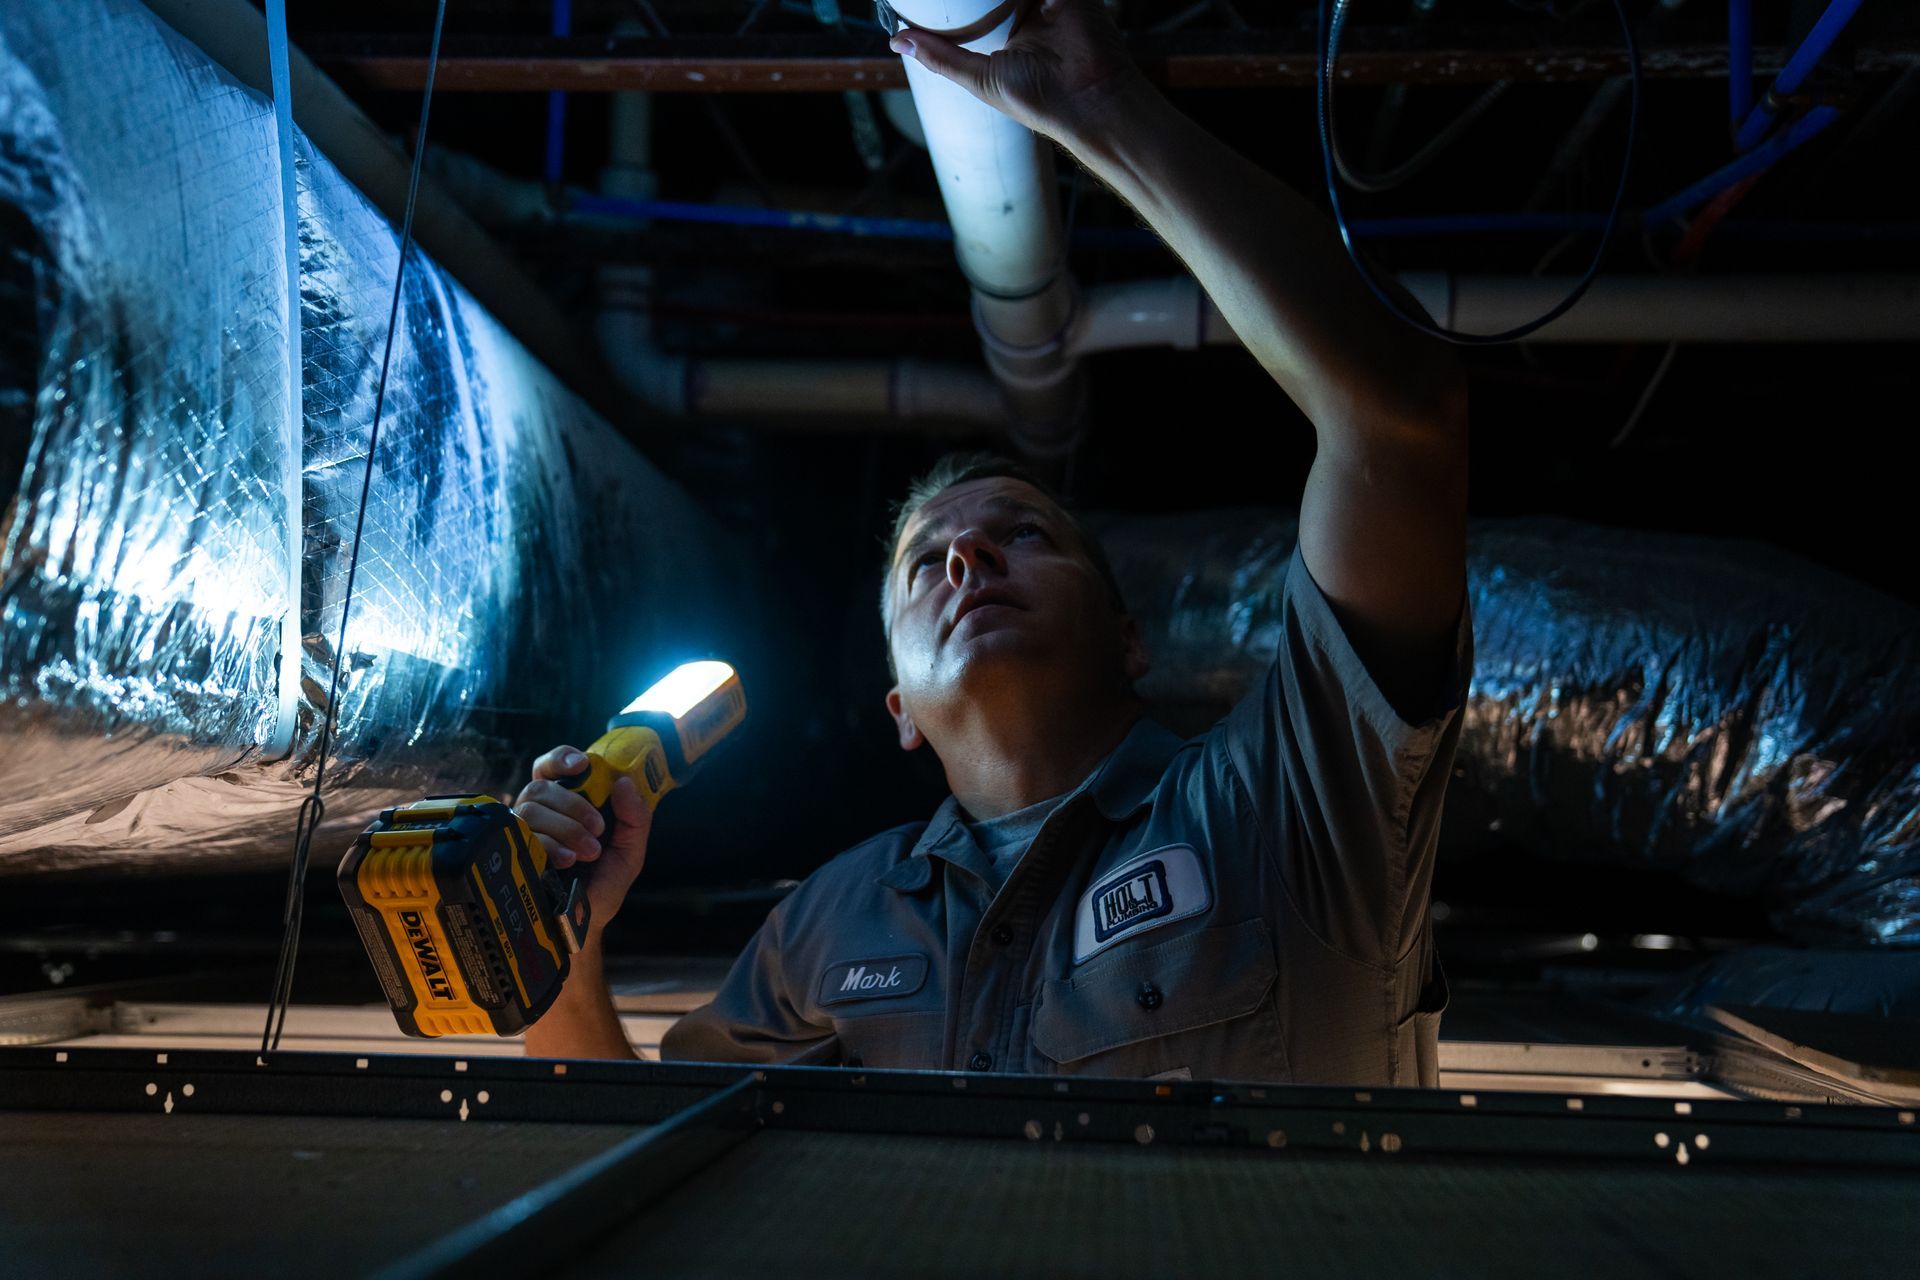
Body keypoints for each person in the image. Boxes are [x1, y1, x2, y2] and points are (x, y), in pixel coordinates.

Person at [516, 0, 1470, 1085]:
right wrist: (563, 947)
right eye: (927, 563)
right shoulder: (827, 920)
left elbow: (1401, 418)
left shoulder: (1289, 803)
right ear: (901, 714)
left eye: (1024, 533)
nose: (968, 560)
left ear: (1130, 640)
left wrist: (1111, 112)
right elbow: (650, 1179)